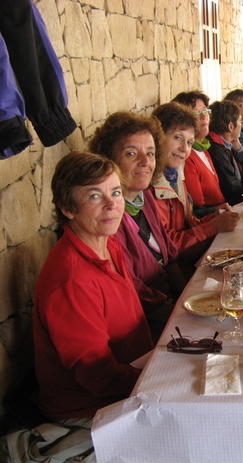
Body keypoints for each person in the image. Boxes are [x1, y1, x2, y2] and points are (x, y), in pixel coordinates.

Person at [35, 151, 153, 420]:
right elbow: (98, 376)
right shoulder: (71, 279)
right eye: (94, 196)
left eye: (116, 192)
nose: (112, 204)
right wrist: (160, 381)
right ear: (68, 209)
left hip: (134, 377)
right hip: (93, 411)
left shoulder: (108, 243)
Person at [89, 111, 181, 339]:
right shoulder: (107, 217)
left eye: (150, 153)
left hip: (171, 309)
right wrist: (179, 312)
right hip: (146, 326)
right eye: (131, 153)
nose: (145, 162)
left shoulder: (145, 196)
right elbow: (132, 289)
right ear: (109, 159)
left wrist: (190, 298)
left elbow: (168, 255)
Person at [150, 102, 239, 257]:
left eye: (190, 142)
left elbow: (186, 225)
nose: (184, 149)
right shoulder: (149, 186)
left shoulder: (175, 176)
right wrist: (212, 226)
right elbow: (167, 246)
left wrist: (214, 216)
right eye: (178, 138)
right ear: (158, 137)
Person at [172, 90, 228, 217]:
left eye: (205, 111)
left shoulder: (203, 148)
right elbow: (197, 206)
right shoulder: (185, 156)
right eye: (196, 113)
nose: (204, 117)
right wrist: (217, 211)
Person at [208, 100, 243, 205]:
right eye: (240, 121)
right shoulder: (216, 149)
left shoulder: (227, 144)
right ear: (231, 127)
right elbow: (231, 188)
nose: (242, 125)